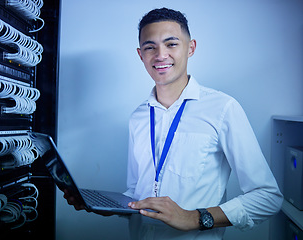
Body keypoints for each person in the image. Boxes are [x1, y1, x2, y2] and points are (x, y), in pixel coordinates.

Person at [64, 7, 283, 239]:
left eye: (171, 44)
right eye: (150, 47)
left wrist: (195, 217)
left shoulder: (223, 108)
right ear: (141, 54)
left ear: (191, 48)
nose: (160, 55)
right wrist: (104, 205)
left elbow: (268, 197)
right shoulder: (138, 116)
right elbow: (136, 193)